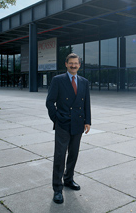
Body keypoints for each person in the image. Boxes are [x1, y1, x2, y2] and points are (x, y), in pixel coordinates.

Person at [46, 53, 91, 204]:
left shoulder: (84, 82)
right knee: (60, 156)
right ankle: (57, 189)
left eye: (76, 63)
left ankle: (68, 179)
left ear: (79, 65)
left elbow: (86, 104)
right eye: (71, 63)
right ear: (66, 64)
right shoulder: (58, 80)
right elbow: (50, 102)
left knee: (73, 154)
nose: (73, 65)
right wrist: (57, 119)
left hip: (78, 124)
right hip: (63, 124)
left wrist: (88, 121)